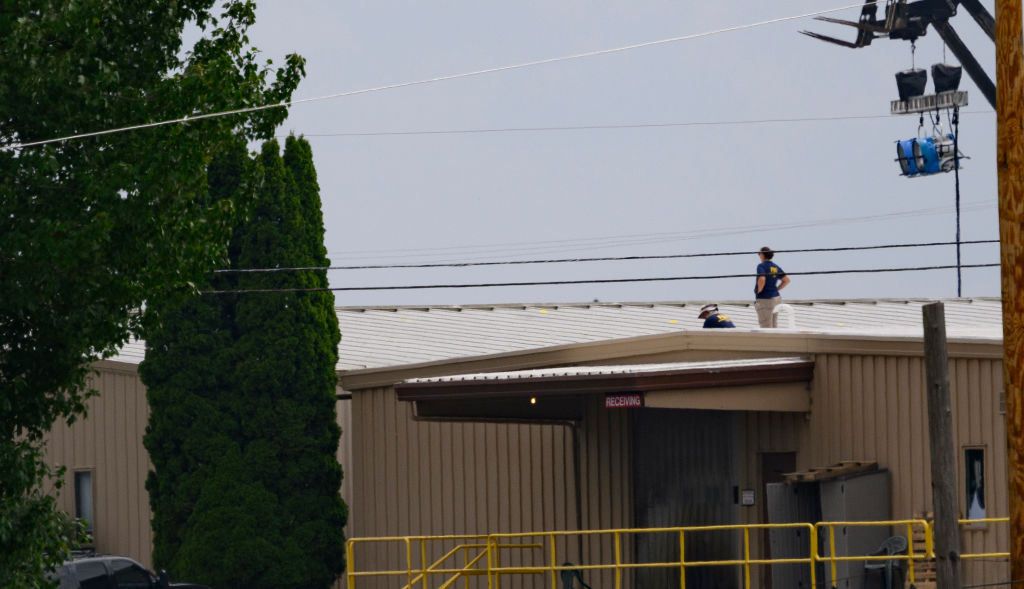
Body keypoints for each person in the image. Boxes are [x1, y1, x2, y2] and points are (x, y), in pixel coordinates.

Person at [754, 247, 790, 328]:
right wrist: (776, 289)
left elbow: (762, 279)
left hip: (765, 299)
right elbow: (786, 280)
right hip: (776, 298)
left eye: (759, 254)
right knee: (774, 325)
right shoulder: (775, 267)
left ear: (762, 255)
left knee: (765, 326)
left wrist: (759, 291)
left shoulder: (761, 266)